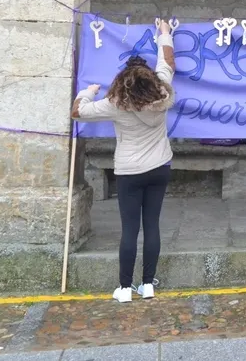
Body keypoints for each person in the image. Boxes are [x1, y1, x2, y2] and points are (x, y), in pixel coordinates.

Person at [72, 20, 176, 303]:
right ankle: (148, 285)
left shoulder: (114, 103)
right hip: (160, 168)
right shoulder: (164, 95)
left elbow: (78, 112)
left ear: (122, 80)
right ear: (151, 80)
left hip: (130, 171)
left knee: (130, 229)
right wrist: (164, 35)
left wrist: (88, 91)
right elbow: (168, 62)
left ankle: (124, 288)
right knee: (151, 225)